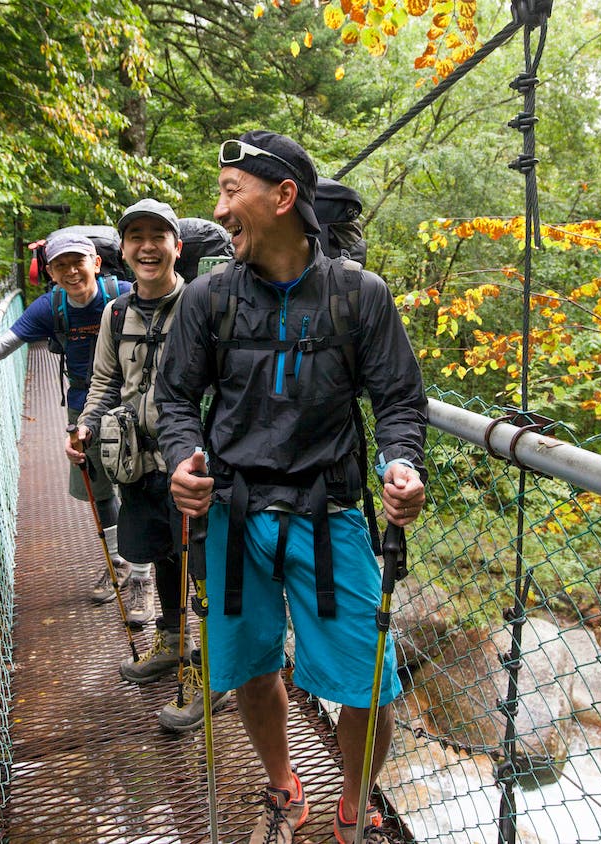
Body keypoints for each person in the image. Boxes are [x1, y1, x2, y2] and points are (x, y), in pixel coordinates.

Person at [156, 131, 427, 844]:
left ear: (282, 198)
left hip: (330, 512)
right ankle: (283, 783)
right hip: (233, 512)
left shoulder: (360, 296)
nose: (218, 212)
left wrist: (403, 463)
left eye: (229, 193)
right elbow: (177, 399)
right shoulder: (208, 299)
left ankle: (353, 795)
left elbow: (398, 400)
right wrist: (184, 458)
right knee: (248, 666)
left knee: (370, 681)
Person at [67, 199, 229, 732]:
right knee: (161, 554)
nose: (147, 246)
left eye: (158, 235)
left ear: (177, 247)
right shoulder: (117, 313)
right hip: (139, 461)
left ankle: (211, 671)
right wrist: (86, 427)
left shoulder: (203, 304)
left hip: (195, 463)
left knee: (205, 563)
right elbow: (106, 383)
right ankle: (171, 641)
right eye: (135, 236)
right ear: (125, 252)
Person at [0, 231, 138, 617]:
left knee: (137, 482)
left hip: (131, 403)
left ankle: (142, 563)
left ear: (96, 263)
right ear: (50, 273)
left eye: (77, 262)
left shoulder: (124, 294)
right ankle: (117, 564)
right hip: (83, 408)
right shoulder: (51, 307)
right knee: (98, 490)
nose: (71, 272)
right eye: (60, 266)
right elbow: (3, 345)